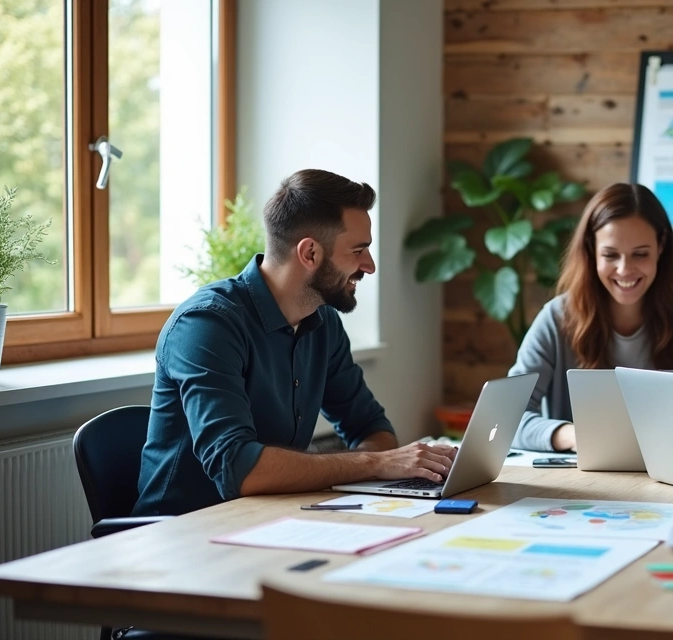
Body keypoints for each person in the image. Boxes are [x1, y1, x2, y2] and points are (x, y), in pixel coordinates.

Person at [134, 169, 455, 516]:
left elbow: (373, 429)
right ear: (310, 253)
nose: (370, 265)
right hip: (180, 534)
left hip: (272, 520)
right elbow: (239, 469)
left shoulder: (323, 323)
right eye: (359, 250)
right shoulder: (207, 325)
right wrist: (374, 463)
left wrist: (381, 461)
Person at [509, 182, 673, 452]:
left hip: (670, 476)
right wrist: (575, 436)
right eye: (610, 255)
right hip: (577, 481)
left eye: (640, 254)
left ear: (661, 246)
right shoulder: (555, 317)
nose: (625, 269)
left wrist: (656, 435)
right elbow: (508, 417)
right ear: (591, 251)